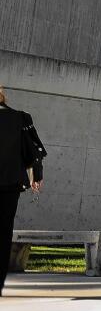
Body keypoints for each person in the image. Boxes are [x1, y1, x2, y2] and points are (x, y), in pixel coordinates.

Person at [0, 85, 46, 296]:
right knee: (4, 230)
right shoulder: (20, 118)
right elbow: (34, 150)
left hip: (9, 184)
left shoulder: (20, 119)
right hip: (10, 183)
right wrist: (37, 175)